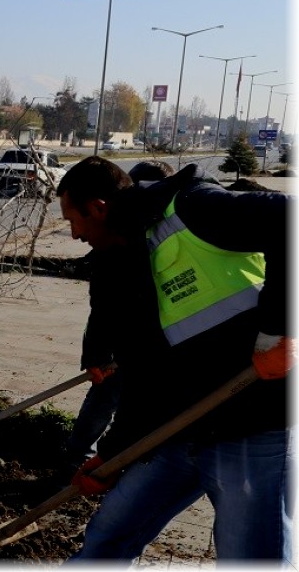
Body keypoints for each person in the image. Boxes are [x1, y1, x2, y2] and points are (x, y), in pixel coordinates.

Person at [57, 156, 292, 563]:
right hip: (177, 435)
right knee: (106, 540)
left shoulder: (190, 208)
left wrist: (277, 329)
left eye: (72, 220)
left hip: (251, 429)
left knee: (252, 557)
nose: (74, 234)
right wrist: (112, 456)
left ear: (98, 208)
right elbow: (142, 376)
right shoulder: (117, 265)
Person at [61, 159, 175, 469]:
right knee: (107, 395)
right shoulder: (109, 253)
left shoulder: (175, 234)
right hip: (124, 350)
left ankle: (117, 461)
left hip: (163, 359)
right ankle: (80, 456)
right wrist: (96, 355)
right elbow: (101, 308)